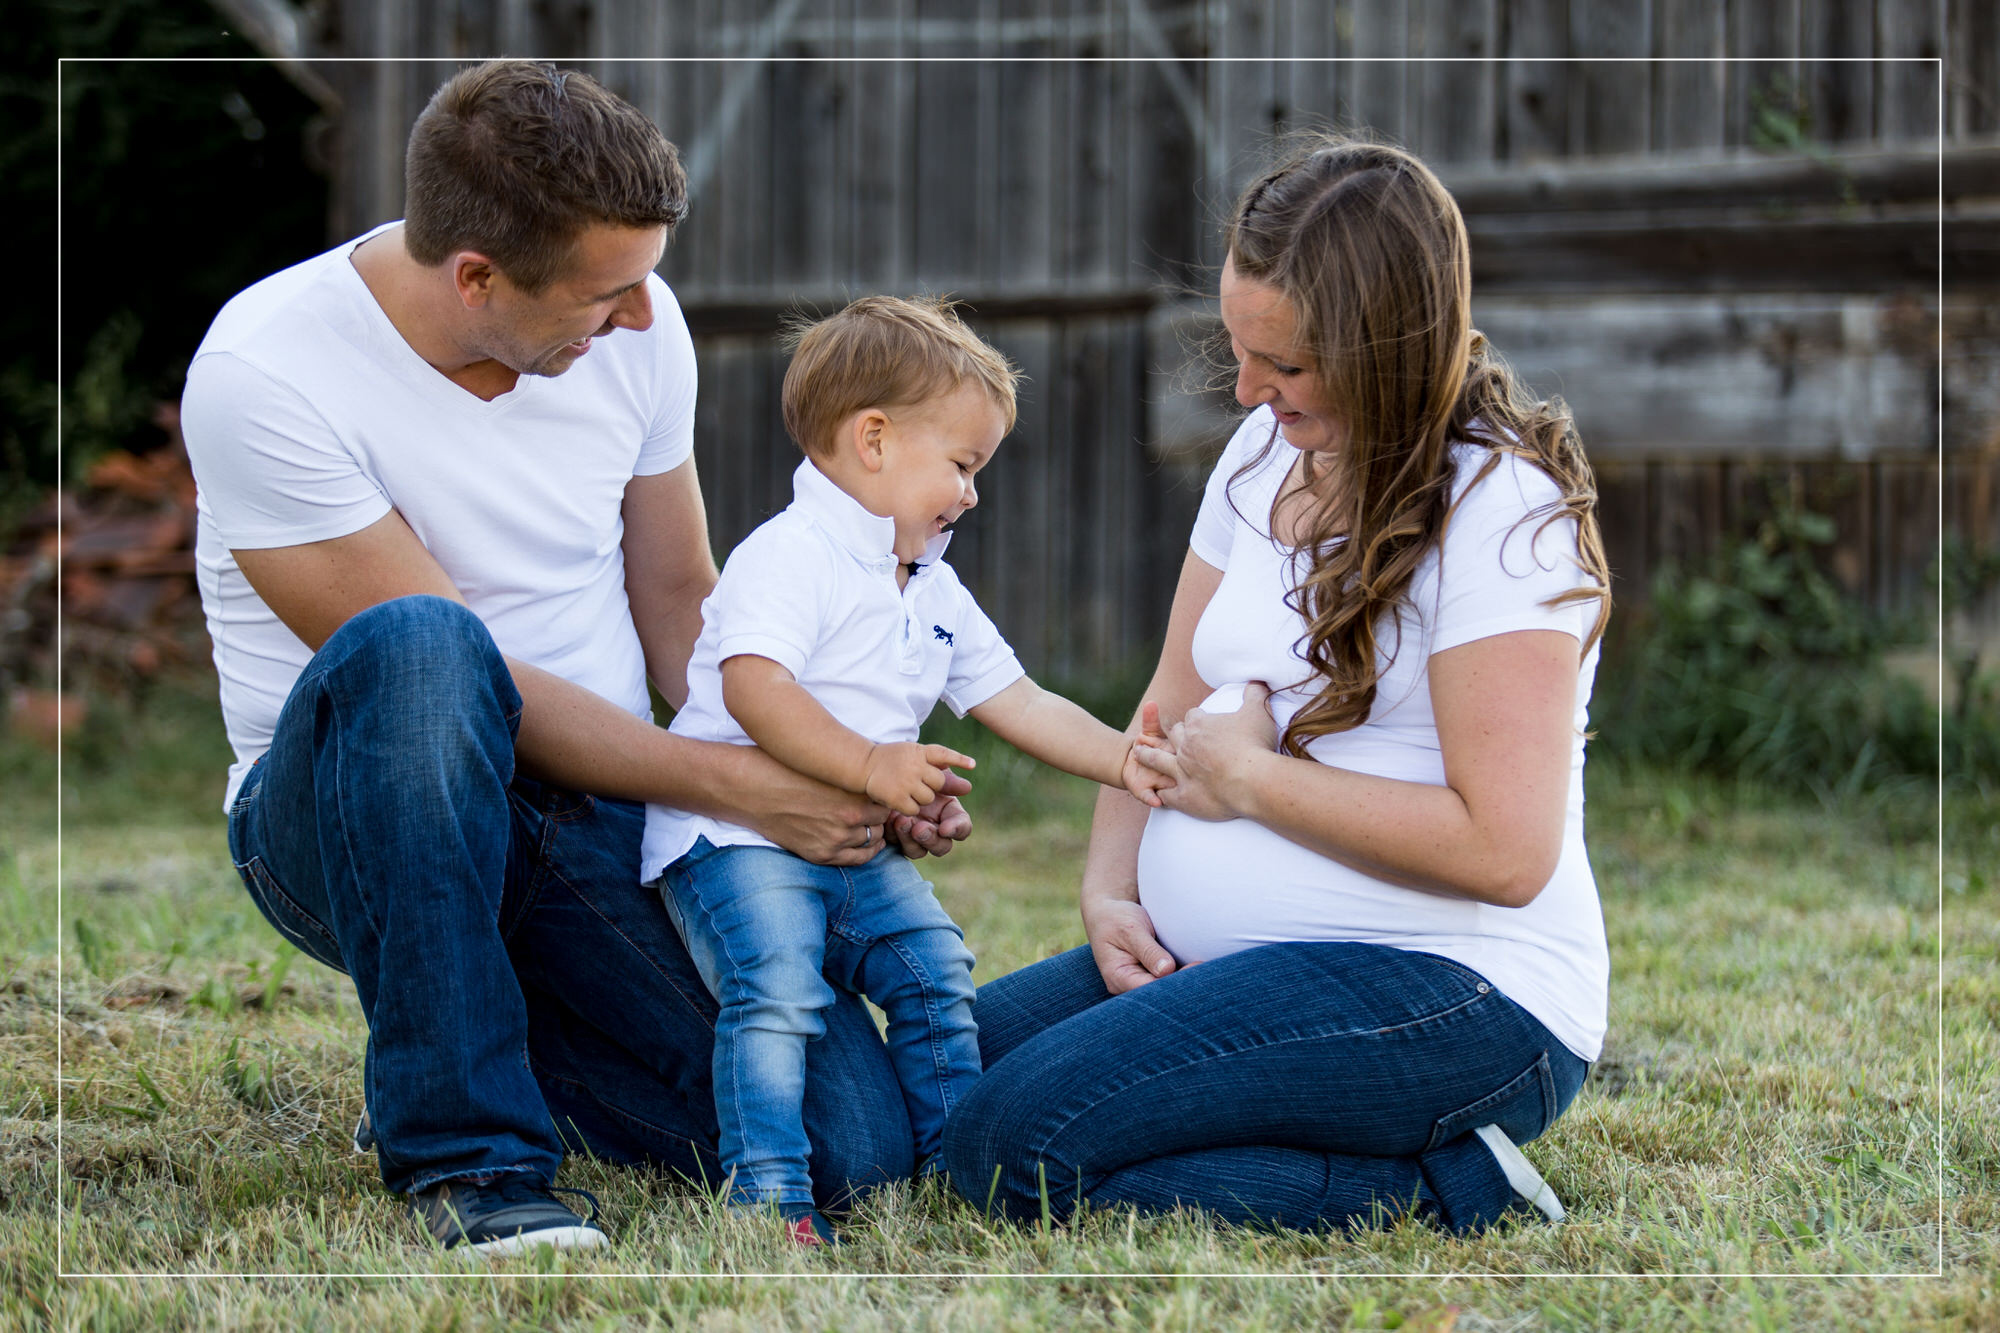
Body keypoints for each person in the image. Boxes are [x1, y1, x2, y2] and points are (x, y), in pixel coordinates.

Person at [179, 61, 961, 1257]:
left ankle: (465, 1017)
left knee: (847, 1146)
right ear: (477, 277)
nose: (642, 317)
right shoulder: (264, 374)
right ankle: (473, 1162)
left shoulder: (636, 324)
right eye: (609, 293)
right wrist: (739, 787)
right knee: (425, 645)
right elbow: (456, 679)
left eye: (646, 280)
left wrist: (835, 767)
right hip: (355, 814)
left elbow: (682, 601)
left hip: (592, 809)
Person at [941, 135, 1613, 1234]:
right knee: (924, 1086)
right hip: (1228, 956)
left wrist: (1251, 785)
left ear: (1390, 349)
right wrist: (1112, 893)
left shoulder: (1502, 516)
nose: (1248, 388)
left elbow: (1505, 851)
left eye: (1285, 364)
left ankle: (1449, 1190)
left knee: (1008, 1146)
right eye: (1238, 348)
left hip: (1456, 988)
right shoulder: (1261, 454)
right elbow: (1163, 697)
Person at [644, 296, 1169, 1245]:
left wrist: (1131, 762)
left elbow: (1023, 702)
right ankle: (770, 1196)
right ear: (874, 440)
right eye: (962, 465)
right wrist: (874, 763)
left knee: (935, 970)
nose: (971, 493)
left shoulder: (930, 581)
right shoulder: (789, 554)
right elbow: (755, 687)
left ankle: (956, 1161)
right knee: (776, 989)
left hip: (850, 848)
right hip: (736, 843)